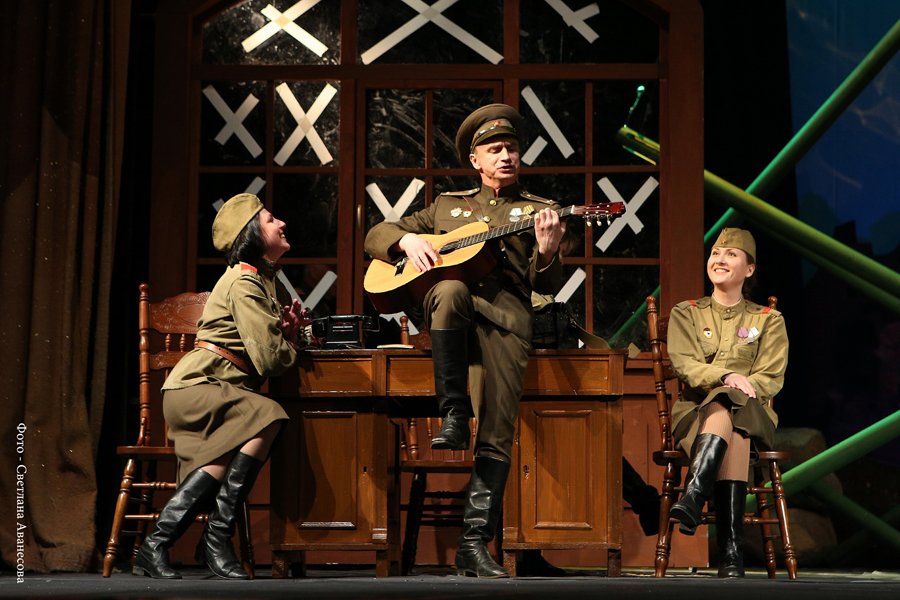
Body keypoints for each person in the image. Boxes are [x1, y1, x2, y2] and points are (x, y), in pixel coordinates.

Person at [364, 104, 565, 578]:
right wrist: (406, 242)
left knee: (498, 424)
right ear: (476, 160)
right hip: (447, 312)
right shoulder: (446, 207)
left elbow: (546, 284)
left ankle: (472, 544)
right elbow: (377, 232)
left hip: (505, 317)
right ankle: (453, 413)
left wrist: (549, 250)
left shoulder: (538, 210)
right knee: (451, 288)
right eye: (494, 150)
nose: (505, 156)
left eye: (511, 148)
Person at [132, 193, 305, 580]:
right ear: (252, 234)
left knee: (222, 458)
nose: (281, 224)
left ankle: (156, 545)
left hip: (217, 390)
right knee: (269, 415)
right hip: (197, 387)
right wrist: (287, 344)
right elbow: (271, 359)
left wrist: (287, 334)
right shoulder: (245, 281)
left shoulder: (261, 281)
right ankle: (215, 538)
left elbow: (270, 344)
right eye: (270, 219)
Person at [666, 227, 788, 578]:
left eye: (731, 254)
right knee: (733, 424)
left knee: (733, 405)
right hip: (695, 414)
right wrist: (726, 377)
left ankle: (694, 494)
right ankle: (731, 552)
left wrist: (739, 387)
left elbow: (771, 376)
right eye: (716, 253)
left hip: (754, 411)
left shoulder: (768, 320)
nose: (720, 259)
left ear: (749, 269)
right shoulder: (686, 313)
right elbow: (685, 364)